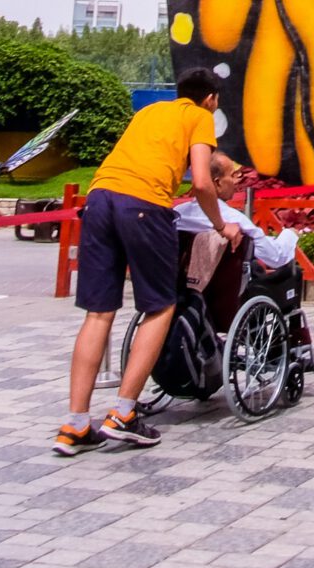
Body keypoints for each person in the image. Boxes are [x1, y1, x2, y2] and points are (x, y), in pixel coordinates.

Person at [57, 65, 237, 455]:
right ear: (210, 98)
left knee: (99, 312)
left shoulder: (149, 111)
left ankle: (74, 424)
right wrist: (221, 225)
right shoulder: (199, 116)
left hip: (100, 198)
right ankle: (123, 414)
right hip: (143, 206)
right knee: (160, 306)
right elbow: (205, 182)